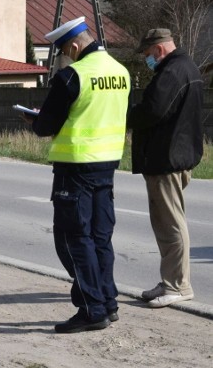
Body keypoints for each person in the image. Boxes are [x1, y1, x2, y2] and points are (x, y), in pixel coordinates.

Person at [22, 17, 130, 334]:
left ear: (72, 46)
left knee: (72, 239)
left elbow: (46, 126)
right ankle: (108, 302)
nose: (65, 58)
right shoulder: (119, 71)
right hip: (108, 164)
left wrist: (35, 121)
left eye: (65, 52)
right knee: (100, 238)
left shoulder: (73, 76)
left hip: (76, 166)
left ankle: (91, 308)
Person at [127, 28, 204, 308]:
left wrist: (127, 116)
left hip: (167, 158)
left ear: (158, 50)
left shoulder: (172, 72)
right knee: (165, 222)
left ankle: (178, 286)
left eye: (148, 54)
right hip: (174, 155)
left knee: (170, 224)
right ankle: (170, 280)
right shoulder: (186, 67)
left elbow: (153, 111)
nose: (148, 59)